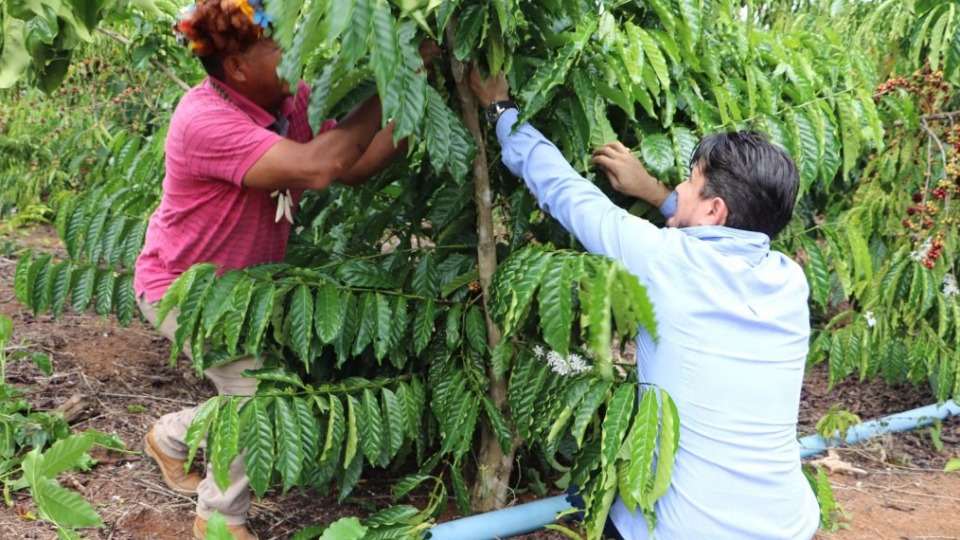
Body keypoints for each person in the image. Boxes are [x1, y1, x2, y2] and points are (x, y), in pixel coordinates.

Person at [470, 70, 820, 539]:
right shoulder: (790, 282)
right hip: (787, 524)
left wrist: (499, 110)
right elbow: (718, 235)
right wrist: (655, 192)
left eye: (691, 184)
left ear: (714, 209)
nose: (681, 188)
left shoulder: (663, 261)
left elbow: (566, 192)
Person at [134, 1, 417, 538]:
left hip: (244, 291)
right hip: (183, 290)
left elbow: (352, 166)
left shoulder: (291, 103)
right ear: (237, 67)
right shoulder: (205, 119)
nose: (295, 57)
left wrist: (416, 100)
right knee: (257, 397)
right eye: (280, 47)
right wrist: (400, 77)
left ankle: (170, 439)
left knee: (254, 387)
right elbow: (318, 166)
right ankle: (218, 518)